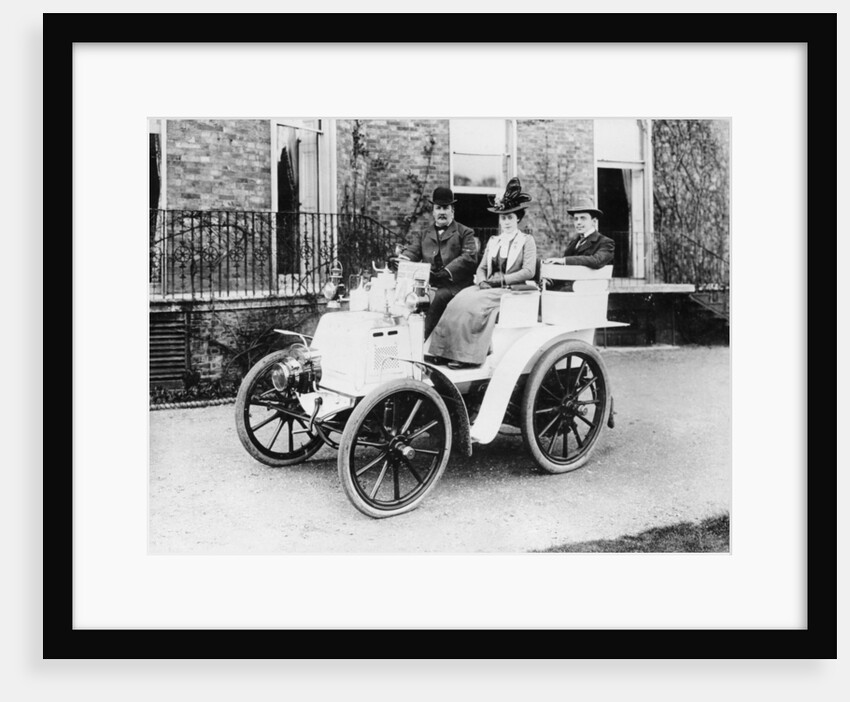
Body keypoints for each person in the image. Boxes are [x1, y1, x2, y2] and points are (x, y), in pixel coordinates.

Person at [427, 177, 537, 369]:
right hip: (489, 287)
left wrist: (501, 280)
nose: (507, 222)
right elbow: (482, 267)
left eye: (510, 217)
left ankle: (465, 356)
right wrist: (483, 280)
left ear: (518, 219)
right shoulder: (495, 241)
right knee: (456, 301)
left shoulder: (527, 241)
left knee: (474, 307)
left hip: (511, 290)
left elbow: (529, 271)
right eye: (503, 218)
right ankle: (442, 351)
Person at [396, 186, 479, 339]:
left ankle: (420, 340)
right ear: (433, 211)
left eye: (445, 208)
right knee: (404, 297)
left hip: (455, 285)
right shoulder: (424, 234)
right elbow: (412, 252)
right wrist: (400, 260)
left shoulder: (465, 232)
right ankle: (401, 337)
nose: (442, 212)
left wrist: (446, 271)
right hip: (430, 284)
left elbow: (468, 258)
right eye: (438, 208)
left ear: (452, 210)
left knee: (438, 297)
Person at [543, 196, 614, 269]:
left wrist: (564, 260)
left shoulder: (605, 243)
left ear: (594, 221)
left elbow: (596, 261)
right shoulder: (574, 242)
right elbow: (565, 269)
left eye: (583, 218)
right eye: (576, 219)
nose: (578, 222)